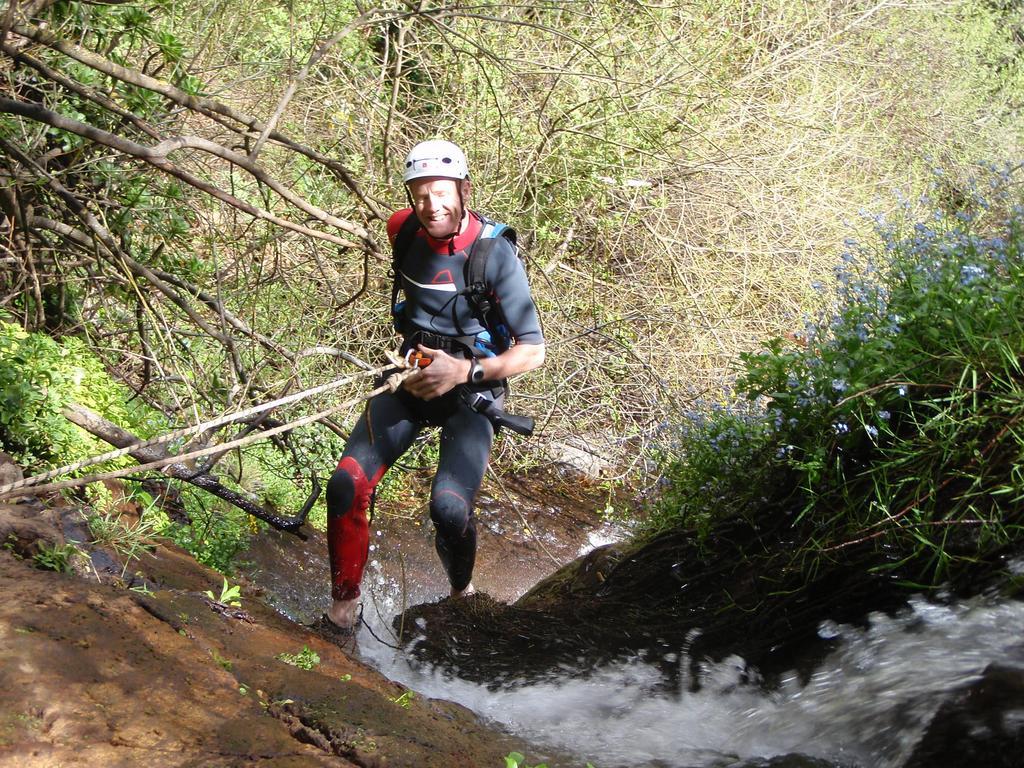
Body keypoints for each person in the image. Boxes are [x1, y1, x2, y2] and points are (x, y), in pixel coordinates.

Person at [323, 139, 545, 632]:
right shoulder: (401, 229)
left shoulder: (494, 254)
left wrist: (464, 371)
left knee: (447, 510)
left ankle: (460, 593)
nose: (431, 206)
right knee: (345, 485)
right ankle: (344, 608)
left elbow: (533, 350)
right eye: (420, 194)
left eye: (441, 193)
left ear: (464, 190)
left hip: (471, 392)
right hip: (410, 375)